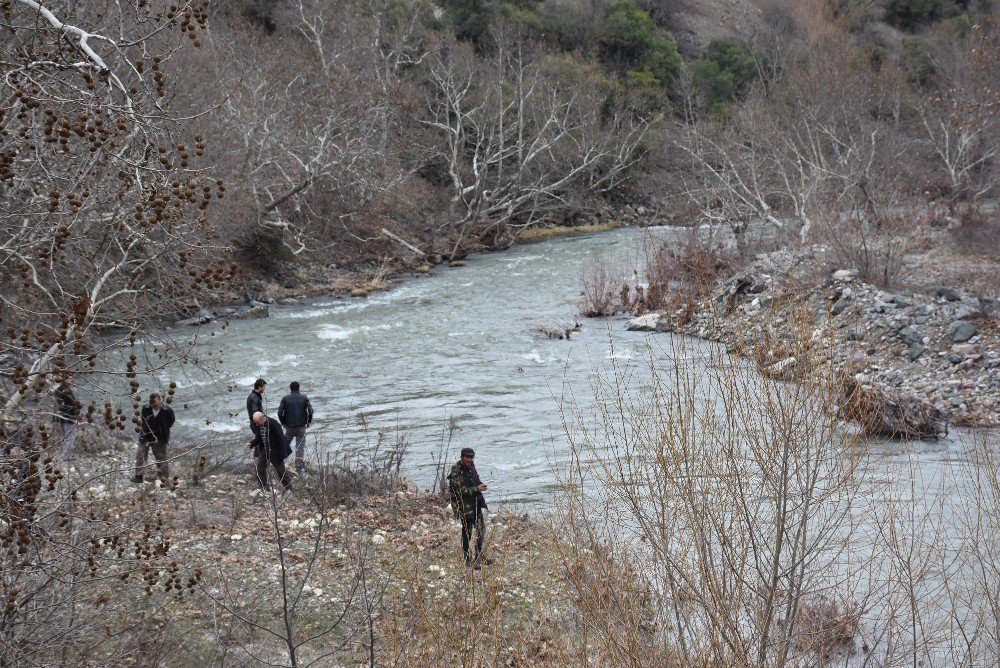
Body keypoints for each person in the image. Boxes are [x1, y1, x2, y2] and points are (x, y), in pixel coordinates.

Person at [447, 447, 489, 569]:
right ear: (462, 456)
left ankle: (478, 556)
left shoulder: (471, 467)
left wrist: (481, 485)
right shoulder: (456, 472)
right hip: (464, 507)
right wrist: (477, 489)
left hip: (475, 503)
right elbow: (459, 491)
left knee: (481, 531)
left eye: (471, 457)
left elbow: (475, 480)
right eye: (467, 457)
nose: (469, 459)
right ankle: (467, 560)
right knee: (467, 533)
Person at [132, 393, 175, 484]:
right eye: (151, 403)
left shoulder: (168, 411)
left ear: (161, 400)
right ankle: (138, 477)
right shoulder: (145, 408)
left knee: (161, 458)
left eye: (155, 402)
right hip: (145, 435)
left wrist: (163, 430)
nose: (153, 405)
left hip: (160, 437)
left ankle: (164, 479)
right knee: (140, 455)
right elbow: (144, 422)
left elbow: (171, 421)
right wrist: (147, 439)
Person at [250, 411, 292, 494]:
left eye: (258, 423)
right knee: (259, 468)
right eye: (256, 423)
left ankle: (289, 489)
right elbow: (259, 438)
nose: (257, 425)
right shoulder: (258, 425)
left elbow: (281, 439)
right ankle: (264, 486)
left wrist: (283, 454)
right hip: (264, 450)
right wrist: (252, 443)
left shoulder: (273, 423)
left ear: (263, 418)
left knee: (281, 470)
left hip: (275, 451)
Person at [277, 381, 313, 474]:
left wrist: (283, 422)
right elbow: (311, 410)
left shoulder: (285, 398)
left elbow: (279, 412)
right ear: (299, 388)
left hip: (289, 427)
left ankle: (278, 463)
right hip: (301, 427)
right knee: (300, 448)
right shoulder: (304, 398)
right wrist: (308, 422)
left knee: (284, 445)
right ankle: (299, 468)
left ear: (290, 388)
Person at [52, 373, 80, 460]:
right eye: (69, 378)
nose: (72, 380)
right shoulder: (61, 390)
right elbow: (59, 401)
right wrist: (61, 403)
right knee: (70, 437)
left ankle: (65, 456)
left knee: (67, 437)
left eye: (71, 378)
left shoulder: (66, 390)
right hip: (67, 417)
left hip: (68, 417)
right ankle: (65, 457)